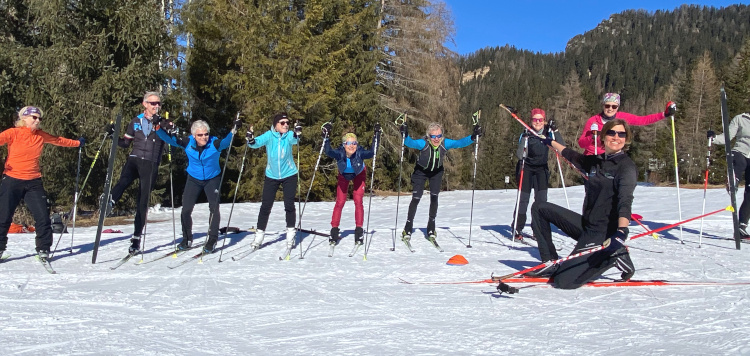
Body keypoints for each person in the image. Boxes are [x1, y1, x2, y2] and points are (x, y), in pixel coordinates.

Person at [529, 119, 637, 289]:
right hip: (586, 226)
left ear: (626, 138)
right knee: (540, 207)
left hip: (602, 234)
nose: (616, 137)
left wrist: (622, 231)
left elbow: (625, 202)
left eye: (621, 134)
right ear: (604, 136)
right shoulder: (596, 161)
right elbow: (571, 155)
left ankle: (614, 256)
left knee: (564, 281)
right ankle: (550, 262)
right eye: (612, 133)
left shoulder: (626, 167)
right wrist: (550, 142)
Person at [0, 106, 84, 260]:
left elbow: (59, 140)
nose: (38, 121)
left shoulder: (40, 135)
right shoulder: (13, 133)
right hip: (12, 180)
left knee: (43, 217)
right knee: (4, 217)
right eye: (34, 117)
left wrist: (77, 143)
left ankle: (43, 249)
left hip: (33, 182)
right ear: (24, 118)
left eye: (39, 118)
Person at [155, 118, 239, 253]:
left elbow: (225, 142)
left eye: (206, 134)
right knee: (186, 209)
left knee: (214, 208)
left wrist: (233, 131)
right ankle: (187, 239)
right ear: (194, 135)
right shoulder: (188, 142)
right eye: (200, 135)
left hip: (212, 178)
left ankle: (212, 240)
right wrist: (157, 129)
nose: (204, 137)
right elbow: (171, 140)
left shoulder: (214, 143)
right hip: (194, 178)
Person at [399, 122, 481, 243]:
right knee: (416, 198)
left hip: (436, 173)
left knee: (434, 198)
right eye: (433, 136)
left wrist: (473, 137)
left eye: (439, 136)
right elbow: (411, 143)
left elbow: (459, 143)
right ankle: (408, 227)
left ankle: (431, 227)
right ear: (428, 136)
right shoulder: (424, 143)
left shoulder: (444, 143)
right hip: (420, 172)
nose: (436, 139)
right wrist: (405, 135)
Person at [106, 92, 166, 254]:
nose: (156, 106)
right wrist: (113, 136)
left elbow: (170, 139)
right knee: (124, 180)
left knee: (142, 201)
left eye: (158, 103)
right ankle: (110, 201)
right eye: (153, 103)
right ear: (144, 104)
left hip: (151, 162)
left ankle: (136, 239)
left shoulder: (162, 123)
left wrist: (165, 127)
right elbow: (125, 143)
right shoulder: (135, 121)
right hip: (135, 158)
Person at [246, 112, 301, 251]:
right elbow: (255, 143)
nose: (286, 125)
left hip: (289, 174)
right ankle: (259, 236)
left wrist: (297, 133)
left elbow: (295, 140)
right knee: (265, 206)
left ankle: (290, 235)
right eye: (282, 123)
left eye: (287, 123)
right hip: (271, 175)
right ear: (275, 125)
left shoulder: (288, 135)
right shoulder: (269, 135)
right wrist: (250, 139)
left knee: (289, 205)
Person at [321, 123, 381, 246]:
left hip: (359, 174)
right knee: (340, 201)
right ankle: (334, 230)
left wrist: (376, 136)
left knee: (358, 201)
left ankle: (359, 230)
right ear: (344, 145)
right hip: (344, 175)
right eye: (349, 143)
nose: (352, 146)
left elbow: (372, 152)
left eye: (354, 143)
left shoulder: (360, 153)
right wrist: (326, 137)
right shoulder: (340, 153)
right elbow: (328, 151)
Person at [511, 109, 565, 241]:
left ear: (544, 120)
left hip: (541, 169)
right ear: (531, 120)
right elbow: (519, 155)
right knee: (523, 200)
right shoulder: (527, 132)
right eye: (535, 120)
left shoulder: (548, 132)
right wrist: (524, 139)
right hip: (526, 168)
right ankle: (517, 228)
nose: (538, 122)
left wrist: (556, 130)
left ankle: (538, 228)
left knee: (541, 201)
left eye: (540, 120)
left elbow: (561, 146)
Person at [578, 93, 676, 155]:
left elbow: (643, 120)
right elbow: (581, 143)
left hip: (613, 156)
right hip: (594, 157)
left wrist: (664, 114)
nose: (610, 108)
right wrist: (591, 137)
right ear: (603, 106)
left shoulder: (621, 118)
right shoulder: (593, 121)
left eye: (614, 106)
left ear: (618, 107)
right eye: (607, 105)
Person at [709, 112, 750, 237]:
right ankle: (733, 180)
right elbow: (727, 136)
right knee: (738, 161)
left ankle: (741, 226)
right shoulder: (741, 118)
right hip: (740, 152)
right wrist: (714, 138)